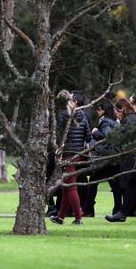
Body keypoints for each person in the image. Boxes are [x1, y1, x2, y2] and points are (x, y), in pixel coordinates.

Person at [51, 90, 89, 225]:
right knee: (67, 185)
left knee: (71, 186)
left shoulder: (62, 115)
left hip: (67, 153)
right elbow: (88, 136)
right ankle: (60, 217)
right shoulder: (82, 114)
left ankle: (79, 217)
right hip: (78, 153)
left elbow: (58, 134)